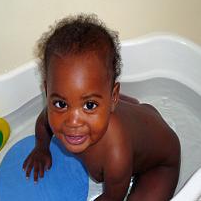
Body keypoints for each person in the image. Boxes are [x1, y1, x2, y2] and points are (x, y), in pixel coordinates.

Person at [23, 14, 181, 201]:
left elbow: (112, 198)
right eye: (61, 104)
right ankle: (123, 107)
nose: (73, 121)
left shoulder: (116, 154)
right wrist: (41, 149)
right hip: (139, 123)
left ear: (114, 96)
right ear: (48, 91)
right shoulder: (54, 114)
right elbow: (43, 125)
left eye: (89, 105)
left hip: (160, 164)